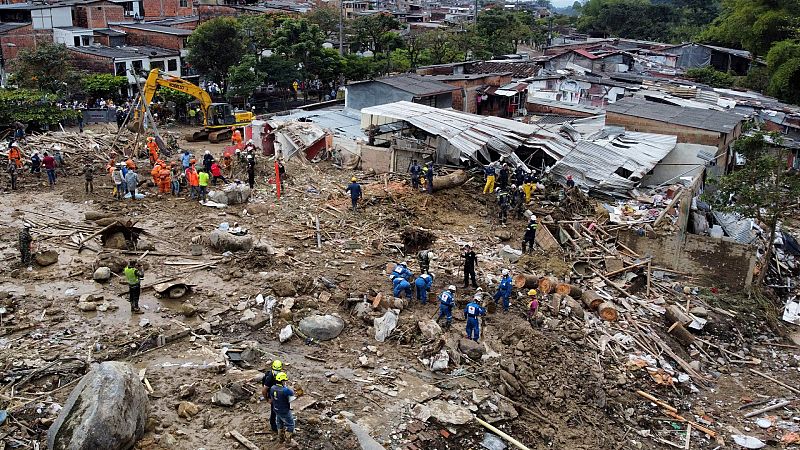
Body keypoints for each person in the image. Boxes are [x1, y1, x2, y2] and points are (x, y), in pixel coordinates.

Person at [269, 372, 297, 446]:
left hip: (276, 409)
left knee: (279, 423)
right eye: (284, 380)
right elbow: (291, 393)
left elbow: (272, 398)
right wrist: (286, 387)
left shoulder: (272, 388)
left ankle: (281, 438)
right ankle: (288, 441)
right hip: (284, 410)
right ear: (282, 381)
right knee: (290, 425)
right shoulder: (285, 390)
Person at [260, 360, 284, 435]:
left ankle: (279, 422)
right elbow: (264, 390)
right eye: (276, 370)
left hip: (277, 393)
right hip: (272, 395)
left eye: (278, 370)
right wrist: (267, 399)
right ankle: (274, 426)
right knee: (274, 411)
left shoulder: (279, 374)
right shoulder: (270, 377)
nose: (277, 371)